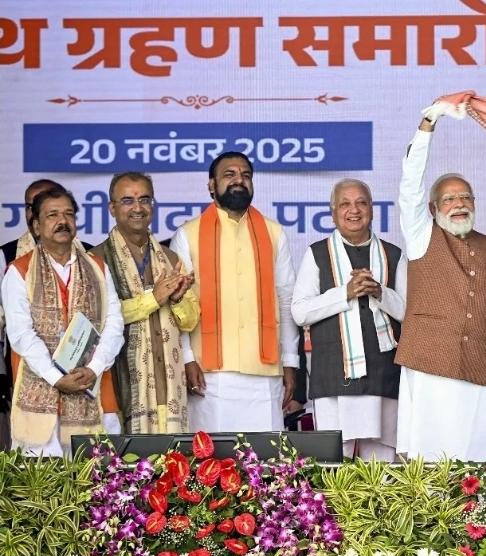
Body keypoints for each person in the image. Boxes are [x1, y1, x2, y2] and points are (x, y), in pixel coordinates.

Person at [395, 112, 486, 461]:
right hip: (431, 370)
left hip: (485, 374)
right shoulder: (420, 236)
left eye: (465, 197)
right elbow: (410, 185)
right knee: (432, 464)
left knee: (484, 467)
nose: (459, 203)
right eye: (449, 199)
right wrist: (428, 123)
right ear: (432, 208)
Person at [170, 152, 300, 432]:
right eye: (229, 174)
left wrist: (290, 361)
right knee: (210, 456)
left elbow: (286, 299)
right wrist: (187, 358)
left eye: (246, 175)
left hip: (265, 373)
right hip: (209, 375)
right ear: (211, 185)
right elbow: (178, 303)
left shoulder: (274, 233)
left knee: (266, 456)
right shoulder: (187, 234)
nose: (239, 180)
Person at [1, 188, 124, 456]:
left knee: (97, 474)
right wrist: (57, 378)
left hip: (93, 389)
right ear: (36, 225)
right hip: (40, 399)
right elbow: (21, 335)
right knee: (44, 478)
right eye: (52, 215)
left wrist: (93, 368)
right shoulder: (19, 271)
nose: (62, 221)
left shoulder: (98, 267)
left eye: (69, 214)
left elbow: (115, 323)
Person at [292, 179, 407, 461]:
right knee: (333, 463)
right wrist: (345, 293)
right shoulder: (317, 254)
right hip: (334, 377)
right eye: (345, 204)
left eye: (361, 203)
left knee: (381, 466)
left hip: (383, 377)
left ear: (372, 209)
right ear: (333, 213)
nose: (353, 210)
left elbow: (409, 313)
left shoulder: (393, 255)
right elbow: (300, 312)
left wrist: (379, 292)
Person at [90, 172, 199, 433]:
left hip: (168, 388)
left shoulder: (170, 258)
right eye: (128, 201)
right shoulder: (95, 259)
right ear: (112, 208)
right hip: (120, 384)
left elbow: (191, 320)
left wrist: (177, 300)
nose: (138, 208)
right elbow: (97, 320)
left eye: (145, 199)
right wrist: (154, 299)